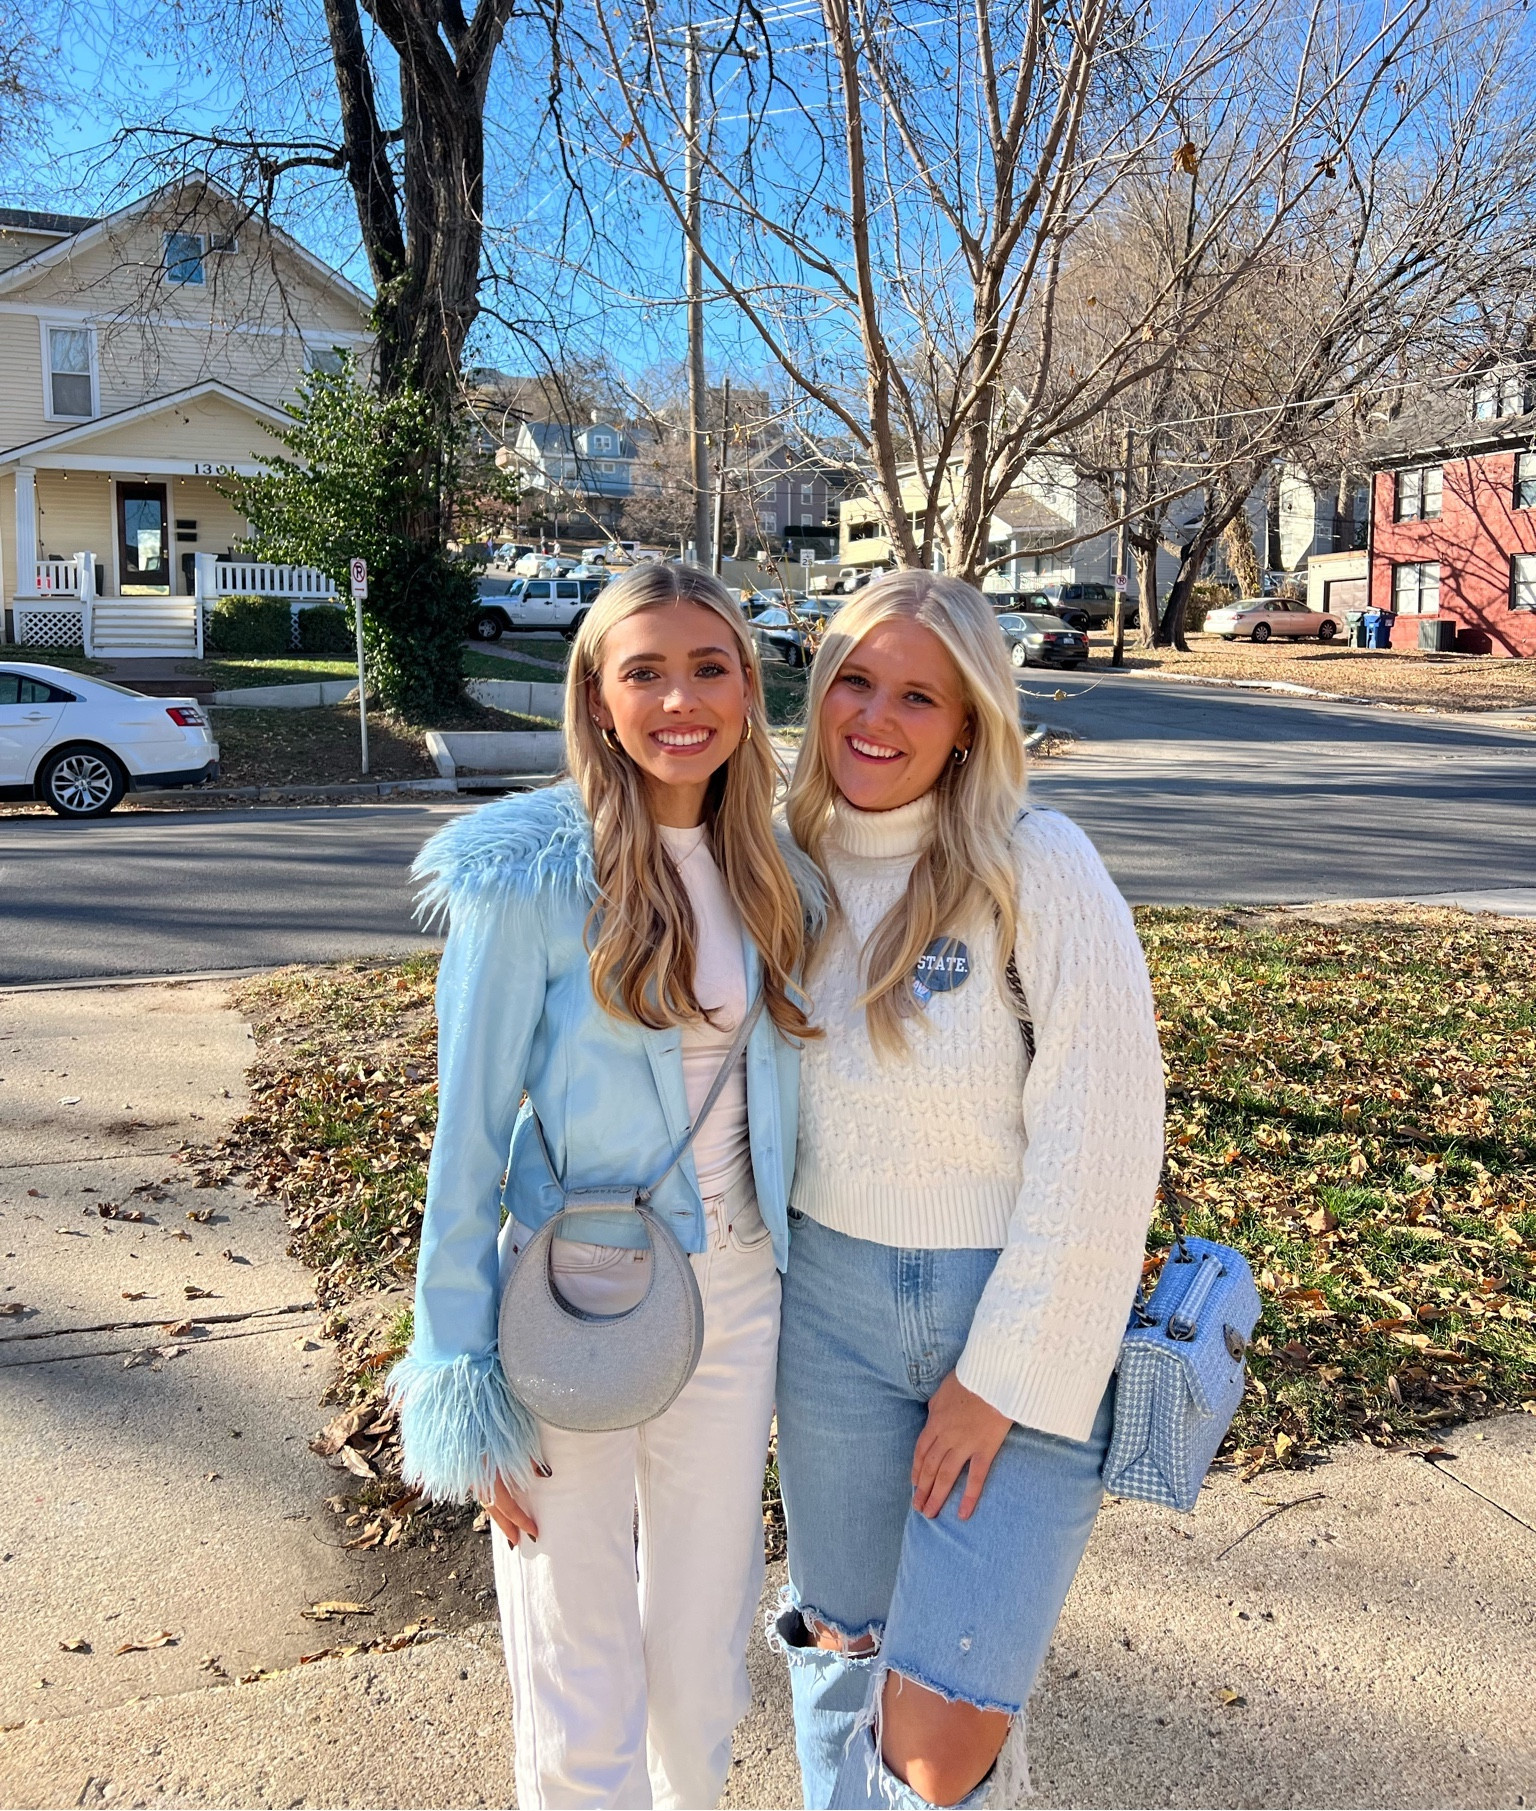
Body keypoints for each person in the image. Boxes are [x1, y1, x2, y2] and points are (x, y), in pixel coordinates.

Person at [389, 562, 815, 1809]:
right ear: (596, 693)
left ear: (747, 685)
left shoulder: (779, 874)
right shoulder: (524, 878)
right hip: (568, 1304)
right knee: (578, 1661)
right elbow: (462, 1140)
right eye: (645, 671)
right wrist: (455, 1364)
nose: (680, 699)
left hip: (736, 1301)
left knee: (699, 1661)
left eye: (709, 666)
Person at [772, 570, 1165, 1809]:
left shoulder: (1030, 863)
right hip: (824, 1318)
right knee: (846, 1657)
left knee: (939, 1746)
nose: (876, 718)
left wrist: (996, 1378)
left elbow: (1106, 1138)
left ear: (970, 721)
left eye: (919, 696)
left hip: (1016, 1326)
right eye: (855, 680)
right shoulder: (780, 867)